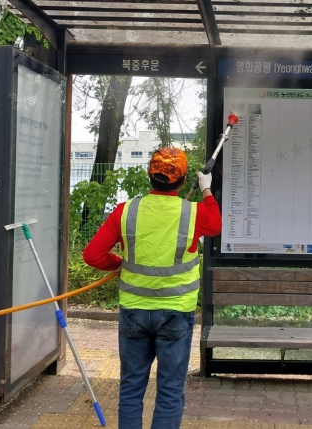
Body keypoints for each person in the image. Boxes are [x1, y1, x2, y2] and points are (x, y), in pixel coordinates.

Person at [83, 147, 222, 429]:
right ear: (183, 181)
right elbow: (216, 225)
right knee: (170, 390)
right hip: (176, 315)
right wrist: (207, 191)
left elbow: (93, 255)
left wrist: (119, 265)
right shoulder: (193, 212)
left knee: (132, 388)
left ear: (150, 176)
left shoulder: (126, 211)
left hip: (134, 312)